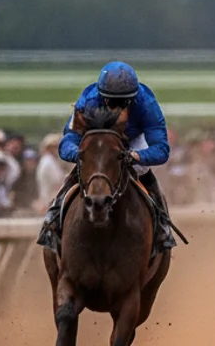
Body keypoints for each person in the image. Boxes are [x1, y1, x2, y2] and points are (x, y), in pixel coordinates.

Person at [38, 61, 174, 252]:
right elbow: (67, 141)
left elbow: (161, 149)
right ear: (102, 97)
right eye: (111, 102)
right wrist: (80, 155)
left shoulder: (147, 104)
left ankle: (162, 227)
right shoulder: (88, 100)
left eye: (123, 102)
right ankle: (52, 221)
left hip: (133, 140)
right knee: (84, 169)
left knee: (142, 170)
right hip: (99, 139)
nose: (116, 108)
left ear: (132, 99)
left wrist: (136, 156)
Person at [35, 133, 68, 205]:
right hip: (50, 198)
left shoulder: (50, 160)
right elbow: (58, 181)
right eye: (56, 146)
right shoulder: (48, 161)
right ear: (49, 148)